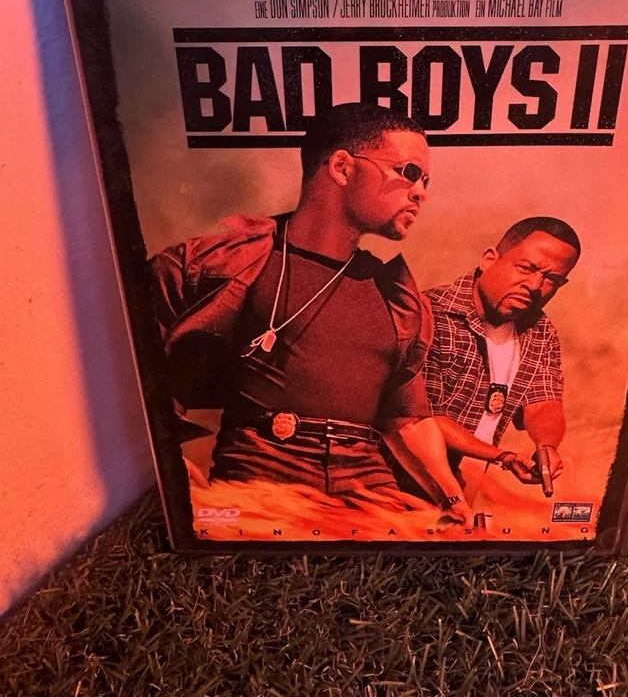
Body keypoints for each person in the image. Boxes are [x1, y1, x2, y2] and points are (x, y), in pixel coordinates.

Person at [149, 102, 472, 526]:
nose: (421, 192)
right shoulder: (213, 266)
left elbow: (408, 420)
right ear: (342, 167)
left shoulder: (399, 298)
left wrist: (452, 499)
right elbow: (141, 388)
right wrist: (171, 469)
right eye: (409, 172)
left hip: (370, 495)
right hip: (261, 487)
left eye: (425, 180)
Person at [419, 217, 581, 498]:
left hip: (460, 492)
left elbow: (543, 403)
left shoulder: (540, 330)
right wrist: (502, 457)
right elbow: (422, 417)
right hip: (395, 482)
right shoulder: (428, 313)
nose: (535, 285)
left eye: (552, 280)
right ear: (489, 259)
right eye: (526, 268)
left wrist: (547, 447)